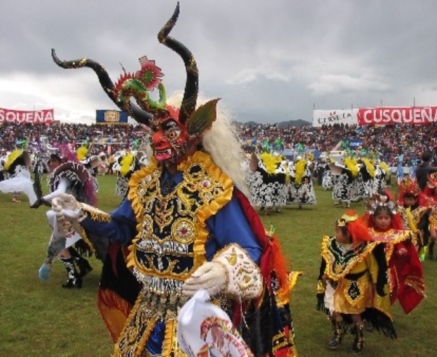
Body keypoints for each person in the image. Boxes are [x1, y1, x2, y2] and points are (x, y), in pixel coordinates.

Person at [48, 4, 297, 356]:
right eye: (153, 129)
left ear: (196, 131)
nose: (157, 138)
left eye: (168, 128)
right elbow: (121, 227)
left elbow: (250, 249)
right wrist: (80, 211)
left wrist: (224, 271)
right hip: (146, 312)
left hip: (196, 318)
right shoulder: (145, 183)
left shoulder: (212, 185)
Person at [316, 210, 395, 353]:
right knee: (334, 311)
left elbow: (374, 267)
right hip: (337, 284)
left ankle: (359, 339)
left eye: (338, 231)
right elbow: (331, 262)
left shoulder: (364, 248)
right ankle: (338, 334)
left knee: (355, 315)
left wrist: (376, 285)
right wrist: (326, 275)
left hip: (357, 286)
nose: (335, 234)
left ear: (348, 234)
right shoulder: (333, 244)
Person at [31, 152, 106, 288]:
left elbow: (60, 192)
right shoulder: (70, 173)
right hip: (76, 214)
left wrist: (41, 200)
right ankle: (82, 266)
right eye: (50, 161)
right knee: (63, 242)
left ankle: (74, 277)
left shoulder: (66, 174)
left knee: (59, 243)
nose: (52, 163)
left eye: (55, 160)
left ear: (62, 160)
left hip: (73, 215)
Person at [362, 191, 425, 314]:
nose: (383, 221)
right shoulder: (368, 233)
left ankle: (382, 311)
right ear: (374, 219)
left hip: (389, 269)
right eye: (380, 218)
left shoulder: (396, 234)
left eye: (386, 218)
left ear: (392, 219)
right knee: (370, 290)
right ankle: (371, 312)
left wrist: (402, 250)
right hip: (371, 268)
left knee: (389, 291)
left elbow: (400, 245)